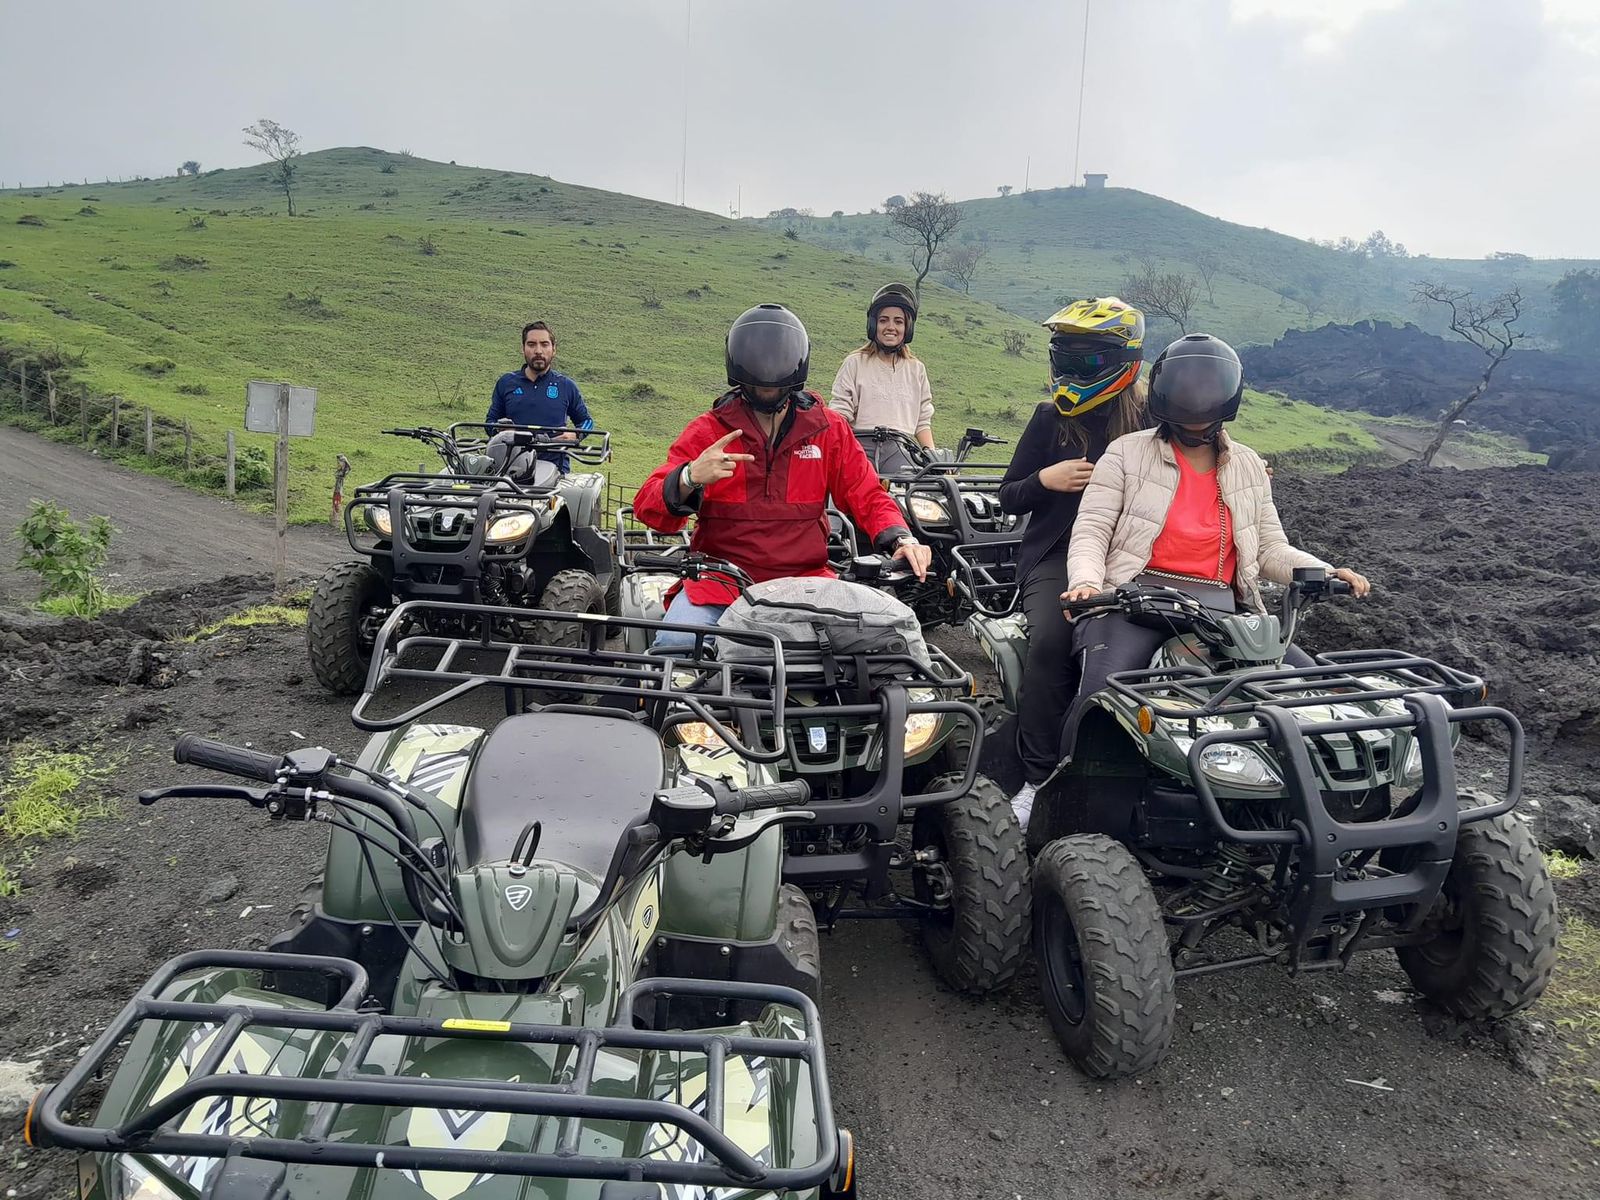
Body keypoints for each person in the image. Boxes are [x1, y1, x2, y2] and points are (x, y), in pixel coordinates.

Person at [1019, 333, 1370, 830]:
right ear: (1163, 394)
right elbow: (1093, 528)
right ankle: (1053, 798)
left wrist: (1325, 570)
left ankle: (1307, 810)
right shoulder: (1126, 453)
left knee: (1307, 686)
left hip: (1223, 611)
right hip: (1133, 599)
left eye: (1208, 390)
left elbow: (1269, 547)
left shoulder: (1247, 465)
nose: (1196, 404)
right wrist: (1086, 583)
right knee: (1103, 692)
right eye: (1186, 389)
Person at [634, 303, 933, 649]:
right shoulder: (709, 431)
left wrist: (902, 539)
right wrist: (689, 477)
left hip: (807, 584)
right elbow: (649, 506)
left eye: (775, 388)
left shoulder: (826, 429)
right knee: (678, 648)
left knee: (878, 652)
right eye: (757, 386)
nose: (767, 393)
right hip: (720, 585)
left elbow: (866, 492)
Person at [998, 297, 1149, 824]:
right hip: (1057, 553)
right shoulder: (1048, 419)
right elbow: (1007, 496)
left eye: (1087, 360)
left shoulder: (1153, 421)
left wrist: (1246, 463)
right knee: (1053, 644)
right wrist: (1045, 480)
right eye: (1065, 357)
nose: (1072, 370)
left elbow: (1205, 444)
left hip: (1131, 555)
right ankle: (1037, 780)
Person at [830, 283, 936, 472]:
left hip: (902, 448)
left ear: (908, 328)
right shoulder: (855, 363)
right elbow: (840, 414)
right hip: (859, 446)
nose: (891, 327)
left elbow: (922, 420)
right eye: (883, 320)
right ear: (873, 325)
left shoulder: (916, 369)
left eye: (898, 321)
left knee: (915, 493)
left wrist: (931, 454)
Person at [485, 320, 593, 472]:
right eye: (531, 344)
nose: (538, 351)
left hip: (556, 469)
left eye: (544, 344)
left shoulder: (566, 385)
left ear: (553, 349)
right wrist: (500, 431)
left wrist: (575, 434)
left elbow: (586, 421)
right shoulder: (506, 383)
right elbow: (490, 422)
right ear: (523, 348)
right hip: (511, 468)